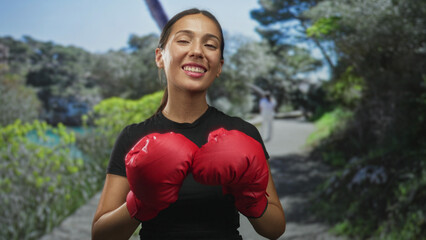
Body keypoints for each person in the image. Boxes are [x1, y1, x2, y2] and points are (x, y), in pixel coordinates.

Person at [91, 8, 285, 240]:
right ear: (160, 57)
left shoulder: (243, 132)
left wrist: (251, 198)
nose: (197, 51)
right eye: (184, 40)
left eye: (210, 45)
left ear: (219, 66)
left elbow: (275, 228)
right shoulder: (134, 136)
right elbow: (100, 234)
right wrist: (140, 203)